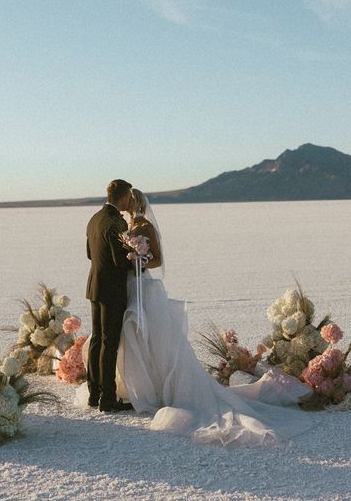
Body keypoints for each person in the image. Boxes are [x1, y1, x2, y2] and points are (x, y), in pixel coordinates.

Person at [114, 189, 311, 447]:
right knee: (139, 339)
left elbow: (157, 259)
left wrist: (141, 257)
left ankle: (164, 389)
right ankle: (143, 387)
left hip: (146, 288)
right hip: (133, 286)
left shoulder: (146, 225)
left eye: (125, 201)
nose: (123, 205)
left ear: (133, 201)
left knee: (160, 342)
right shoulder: (130, 225)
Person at [85, 179, 135, 412]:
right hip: (112, 290)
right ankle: (107, 398)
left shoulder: (95, 218)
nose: (130, 201)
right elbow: (119, 260)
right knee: (109, 342)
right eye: (129, 197)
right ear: (123, 197)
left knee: (97, 339)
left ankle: (93, 394)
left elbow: (89, 253)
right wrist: (139, 262)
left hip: (95, 285)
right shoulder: (115, 222)